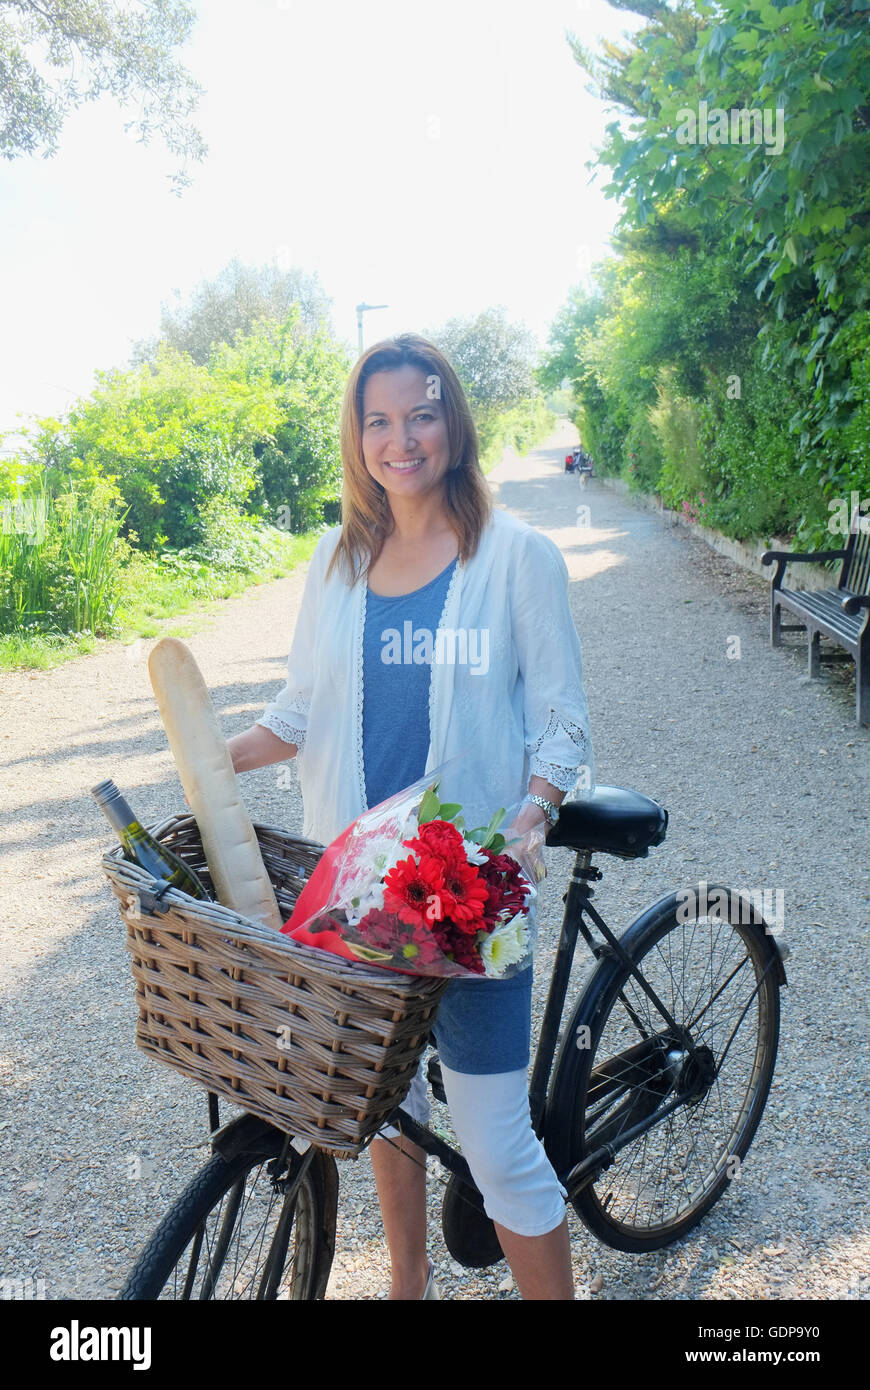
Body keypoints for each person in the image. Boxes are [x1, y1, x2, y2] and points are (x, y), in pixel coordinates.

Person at [227, 333, 593, 1301]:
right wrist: (207, 761)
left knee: (497, 1142)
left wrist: (531, 814)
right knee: (383, 1105)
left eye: (421, 413)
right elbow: (298, 711)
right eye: (378, 420)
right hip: (355, 889)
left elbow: (562, 723)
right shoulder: (337, 559)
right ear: (356, 436)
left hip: (466, 893)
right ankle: (407, 1282)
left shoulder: (517, 556)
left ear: (453, 422)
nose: (402, 438)